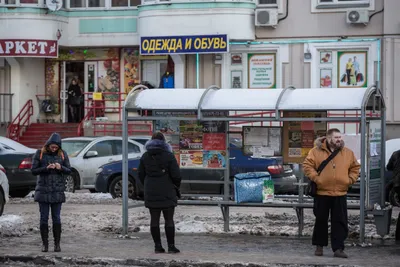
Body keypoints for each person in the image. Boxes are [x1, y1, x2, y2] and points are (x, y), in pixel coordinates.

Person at [303, 128, 360, 258]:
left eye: (340, 137)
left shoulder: (347, 153)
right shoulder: (315, 151)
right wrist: (317, 178)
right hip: (322, 193)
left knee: (340, 221)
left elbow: (355, 168)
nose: (339, 139)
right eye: (336, 137)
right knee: (321, 220)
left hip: (340, 193)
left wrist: (349, 180)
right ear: (328, 139)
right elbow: (307, 165)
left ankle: (338, 248)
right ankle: (319, 246)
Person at [138, 132, 181, 254]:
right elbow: (176, 175)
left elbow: (140, 174)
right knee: (169, 219)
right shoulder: (169, 156)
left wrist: (147, 184)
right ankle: (171, 246)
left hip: (151, 191)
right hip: (167, 190)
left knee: (154, 219)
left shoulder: (145, 156)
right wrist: (175, 186)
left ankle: (157, 246)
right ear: (164, 142)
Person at [31, 133, 71, 253]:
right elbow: (33, 170)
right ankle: (45, 244)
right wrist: (46, 168)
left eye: (56, 147)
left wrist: (60, 168)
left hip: (57, 192)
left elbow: (69, 170)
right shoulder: (40, 153)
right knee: (44, 218)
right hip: (43, 191)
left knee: (56, 219)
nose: (54, 149)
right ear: (48, 145)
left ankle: (57, 244)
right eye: (52, 147)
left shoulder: (63, 154)